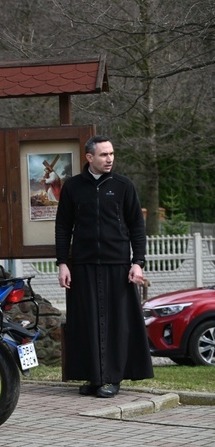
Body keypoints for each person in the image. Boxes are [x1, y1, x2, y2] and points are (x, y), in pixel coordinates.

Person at [55, 135, 154, 398]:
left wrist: (138, 263)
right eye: (103, 155)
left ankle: (112, 378)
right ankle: (94, 377)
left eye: (111, 154)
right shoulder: (73, 187)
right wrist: (63, 263)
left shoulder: (123, 186)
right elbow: (63, 226)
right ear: (89, 158)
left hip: (118, 265)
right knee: (86, 322)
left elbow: (137, 227)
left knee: (116, 323)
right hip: (83, 265)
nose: (109, 159)